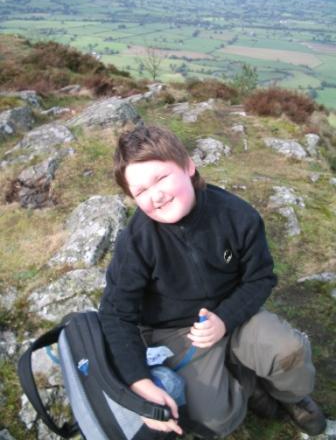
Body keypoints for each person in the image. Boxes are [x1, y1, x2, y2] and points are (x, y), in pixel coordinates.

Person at [99, 125, 326, 438]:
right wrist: (139, 381)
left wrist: (225, 318)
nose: (157, 195)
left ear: (189, 166)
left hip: (234, 312)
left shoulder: (236, 215)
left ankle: (290, 397)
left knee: (290, 351)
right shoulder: (136, 243)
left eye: (161, 178)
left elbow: (260, 277)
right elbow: (115, 313)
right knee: (215, 421)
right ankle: (251, 385)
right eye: (140, 192)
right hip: (175, 331)